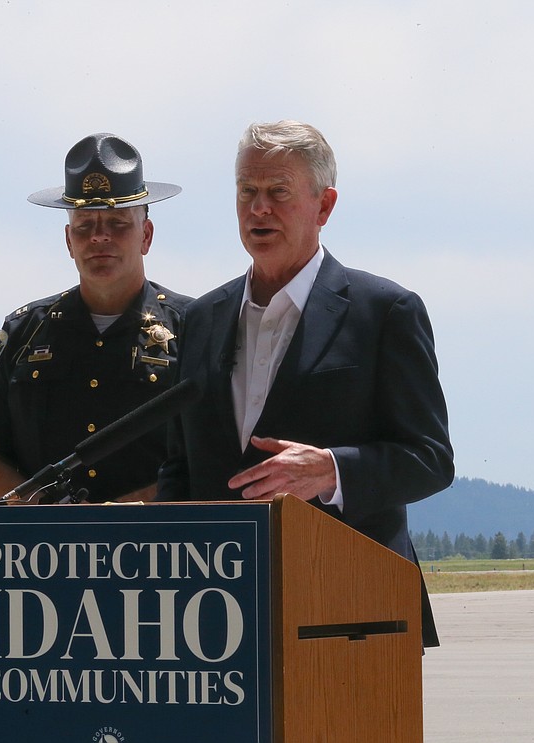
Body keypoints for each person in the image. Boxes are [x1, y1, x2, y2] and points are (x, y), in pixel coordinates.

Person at [157, 120, 454, 647]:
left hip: (351, 617)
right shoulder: (200, 318)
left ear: (324, 206)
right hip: (213, 619)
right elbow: (181, 467)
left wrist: (332, 471)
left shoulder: (384, 312)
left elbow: (431, 460)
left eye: (278, 192)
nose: (259, 209)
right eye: (247, 191)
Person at [0, 133, 190, 504]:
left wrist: (119, 517)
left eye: (117, 223)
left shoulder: (192, 328)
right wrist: (48, 516)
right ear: (69, 241)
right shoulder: (24, 331)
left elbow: (209, 458)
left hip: (157, 550)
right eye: (85, 226)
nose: (99, 238)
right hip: (40, 554)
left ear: (145, 235)